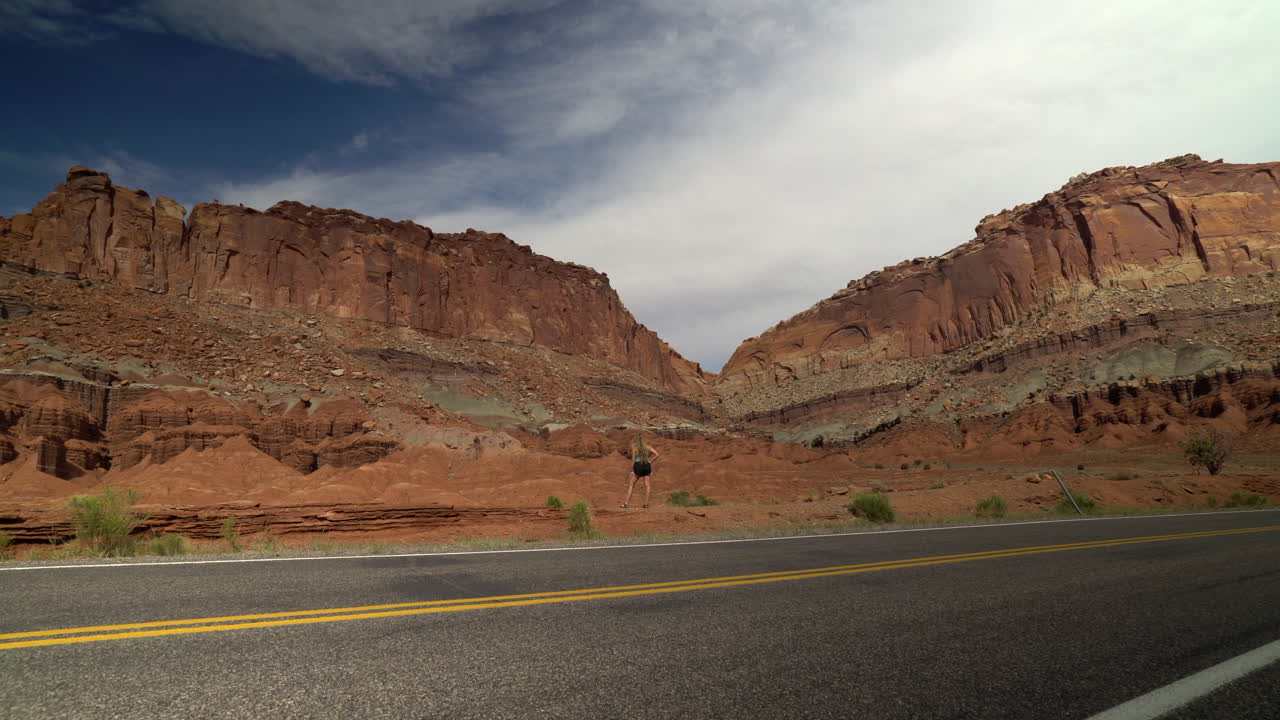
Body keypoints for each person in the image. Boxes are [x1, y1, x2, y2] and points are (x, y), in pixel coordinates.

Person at [621, 434, 660, 509]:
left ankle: (626, 504)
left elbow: (633, 461)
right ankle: (646, 505)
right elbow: (657, 455)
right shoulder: (648, 447)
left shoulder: (635, 448)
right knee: (647, 485)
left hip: (638, 466)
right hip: (646, 465)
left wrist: (632, 471)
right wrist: (650, 462)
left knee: (631, 485)